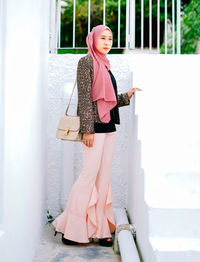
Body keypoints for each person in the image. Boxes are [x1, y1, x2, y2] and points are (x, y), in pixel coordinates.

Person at [52, 24, 142, 247]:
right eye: (102, 38)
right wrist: (87, 130)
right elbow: (85, 99)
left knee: (103, 179)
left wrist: (126, 96)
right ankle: (71, 229)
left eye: (110, 39)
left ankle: (101, 229)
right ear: (92, 39)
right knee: (88, 176)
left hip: (109, 129)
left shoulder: (105, 64)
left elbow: (107, 101)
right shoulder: (86, 62)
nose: (107, 42)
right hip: (94, 130)